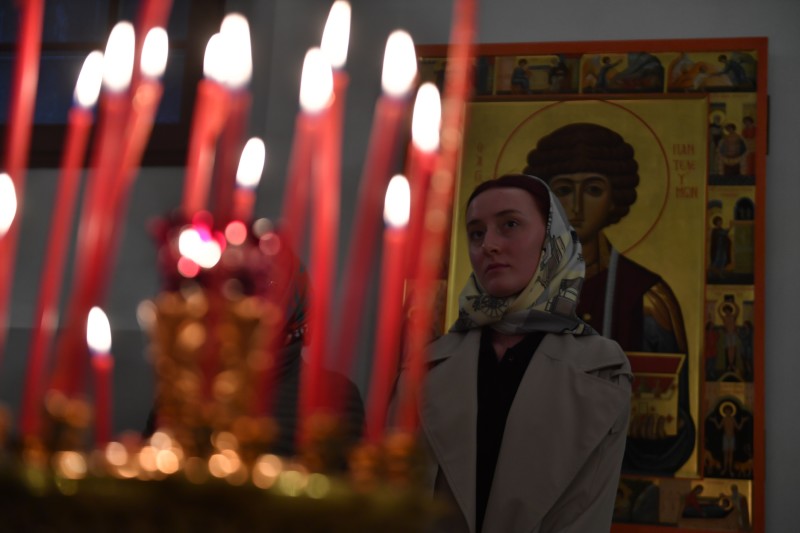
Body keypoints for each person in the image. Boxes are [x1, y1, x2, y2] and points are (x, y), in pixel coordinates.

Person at [409, 174, 631, 532]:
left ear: (552, 238)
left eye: (509, 225)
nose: (489, 245)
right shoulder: (427, 364)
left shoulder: (602, 368)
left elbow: (586, 512)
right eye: (476, 233)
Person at [524, 122, 695, 474]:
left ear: (615, 196)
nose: (576, 206)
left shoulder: (647, 298)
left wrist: (656, 434)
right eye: (564, 190)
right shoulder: (519, 290)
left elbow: (675, 423)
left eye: (593, 189)